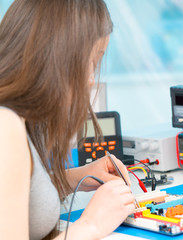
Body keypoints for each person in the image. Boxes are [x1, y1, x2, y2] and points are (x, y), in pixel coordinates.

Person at [0, 0, 135, 239]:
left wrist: (74, 178)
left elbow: (15, 195)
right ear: (59, 56)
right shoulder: (5, 125)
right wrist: (91, 225)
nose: (91, 80)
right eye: (92, 62)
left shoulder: (18, 118)